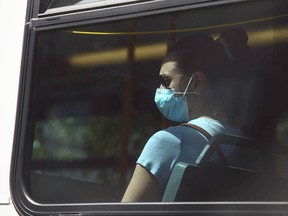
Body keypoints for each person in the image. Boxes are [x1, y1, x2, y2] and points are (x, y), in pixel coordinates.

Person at [121, 29, 253, 202]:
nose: (160, 90)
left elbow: (126, 211)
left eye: (166, 81)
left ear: (197, 82)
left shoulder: (169, 141)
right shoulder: (243, 145)